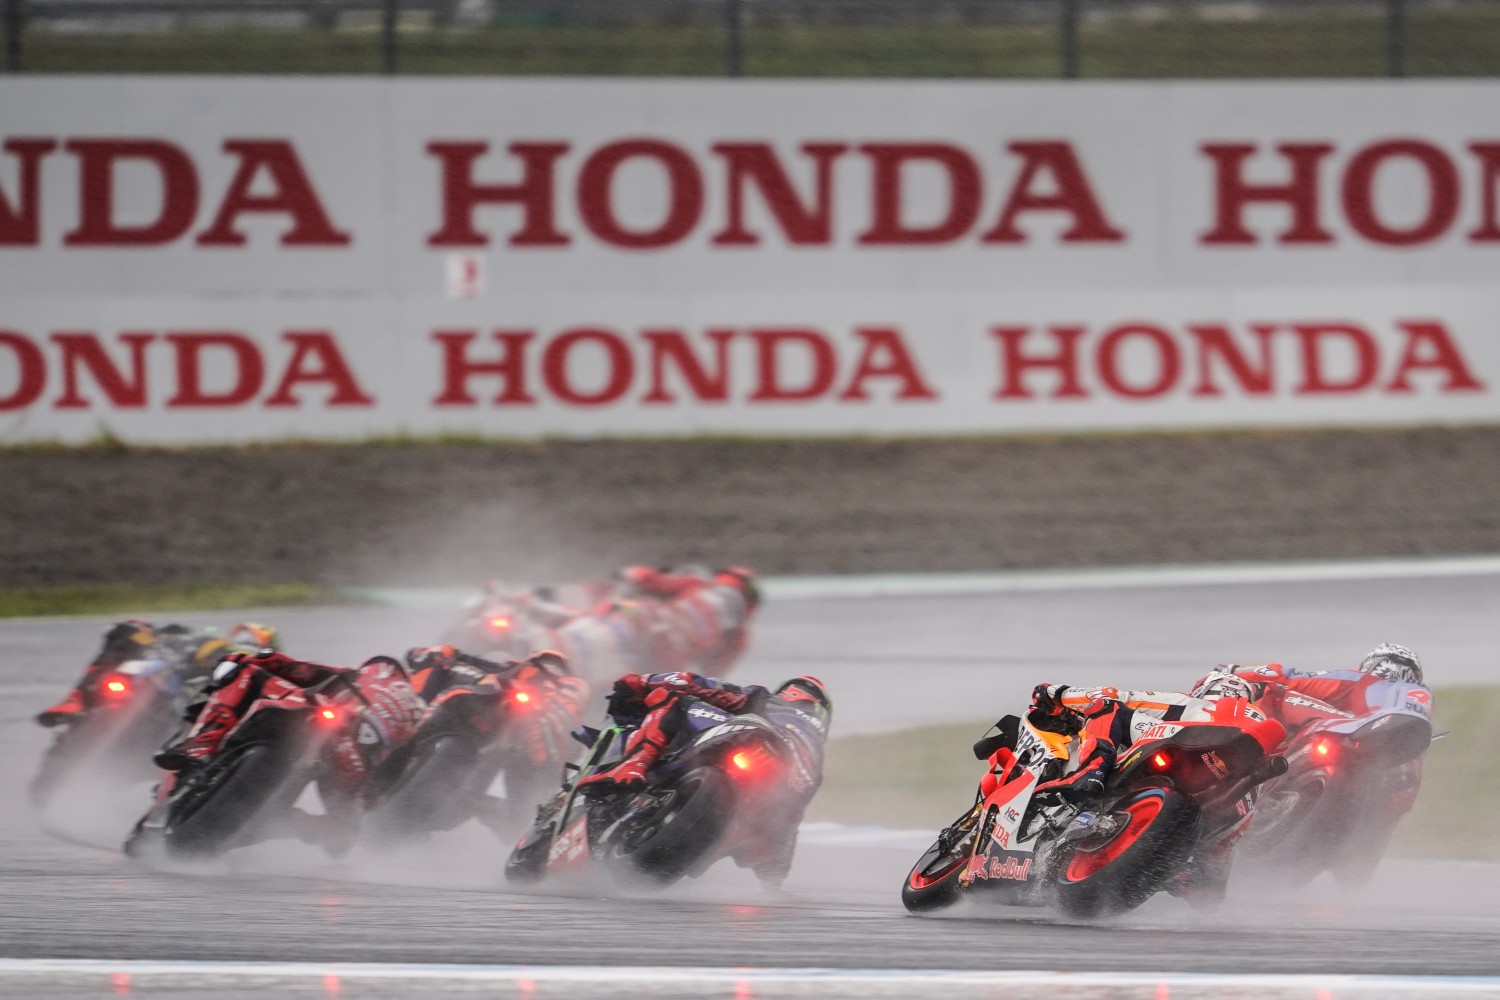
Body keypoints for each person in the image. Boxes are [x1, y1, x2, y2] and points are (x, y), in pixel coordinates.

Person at [1014, 672, 1285, 905]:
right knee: (1210, 872)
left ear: (1204, 688)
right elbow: (1212, 893)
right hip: (1228, 793)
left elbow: (1114, 695)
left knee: (1109, 707)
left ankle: (1091, 771)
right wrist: (1205, 883)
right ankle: (1178, 872)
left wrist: (1056, 693)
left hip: (1184, 748)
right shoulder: (1255, 742)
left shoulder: (1193, 702)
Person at [572, 670, 832, 888]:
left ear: (790, 694)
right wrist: (773, 878)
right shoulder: (813, 767)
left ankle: (632, 766)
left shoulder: (767, 700)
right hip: (768, 796)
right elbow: (786, 832)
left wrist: (640, 681)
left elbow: (695, 684)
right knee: (750, 838)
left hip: (751, 741)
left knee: (675, 700)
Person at [152, 648, 424, 852]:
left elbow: (280, 665)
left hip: (309, 722)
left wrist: (246, 660)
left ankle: (204, 741)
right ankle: (283, 823)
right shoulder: (414, 717)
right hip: (350, 767)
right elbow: (396, 770)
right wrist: (364, 809)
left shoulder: (355, 676)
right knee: (339, 835)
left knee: (245, 670)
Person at [35, 619, 281, 728]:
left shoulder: (263, 674)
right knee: (128, 630)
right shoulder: (201, 641)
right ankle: (77, 701)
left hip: (195, 723)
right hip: (170, 701)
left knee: (128, 629)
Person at [1223, 642, 1429, 727]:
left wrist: (1232, 671)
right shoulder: (1421, 706)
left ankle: (1250, 753)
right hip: (1363, 747)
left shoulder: (1362, 680)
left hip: (1352, 730)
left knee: (1272, 691)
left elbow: (1290, 678)